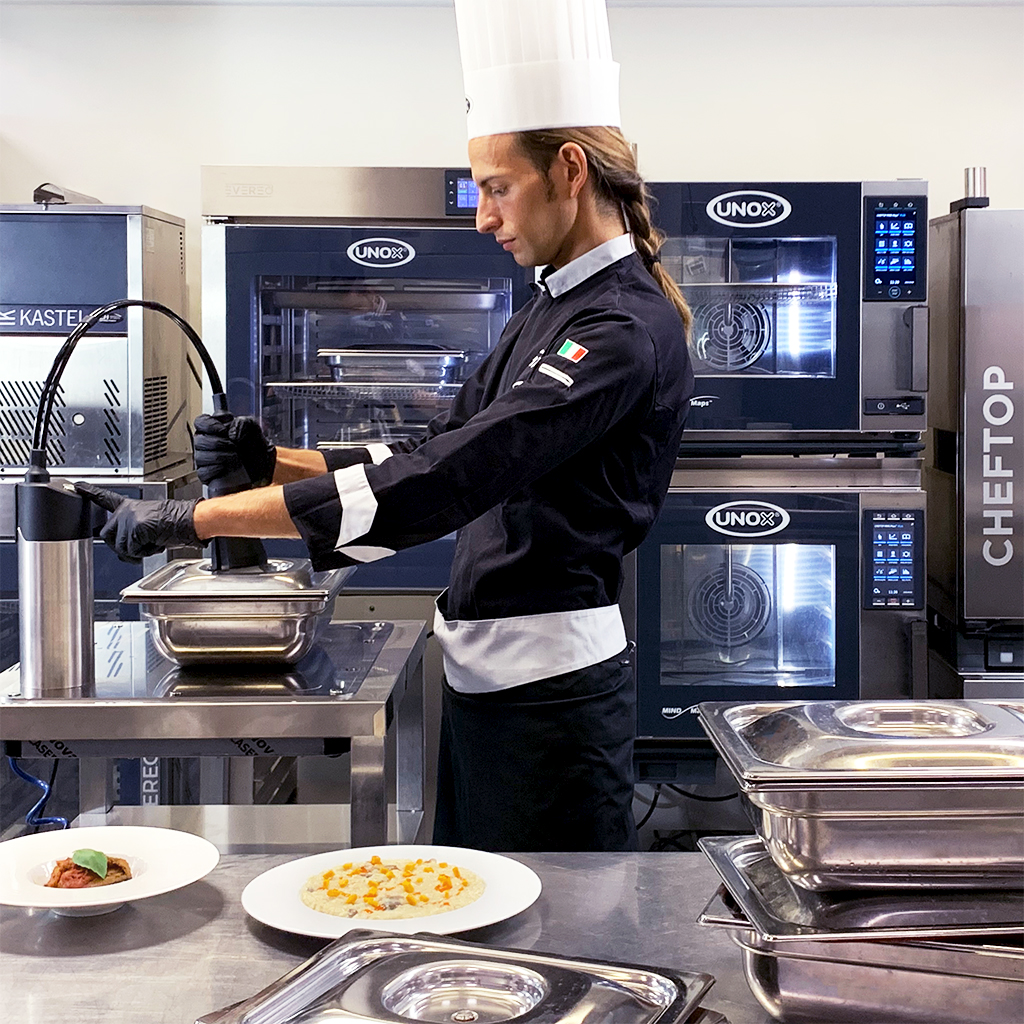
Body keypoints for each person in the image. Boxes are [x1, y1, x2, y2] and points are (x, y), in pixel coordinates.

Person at [78, 0, 694, 853]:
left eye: (496, 187)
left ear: (572, 171)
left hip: (555, 698)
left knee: (554, 936)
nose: (482, 218)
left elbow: (455, 477)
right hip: (493, 679)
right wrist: (275, 463)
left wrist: (194, 519)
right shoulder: (549, 309)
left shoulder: (618, 328)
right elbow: (428, 448)